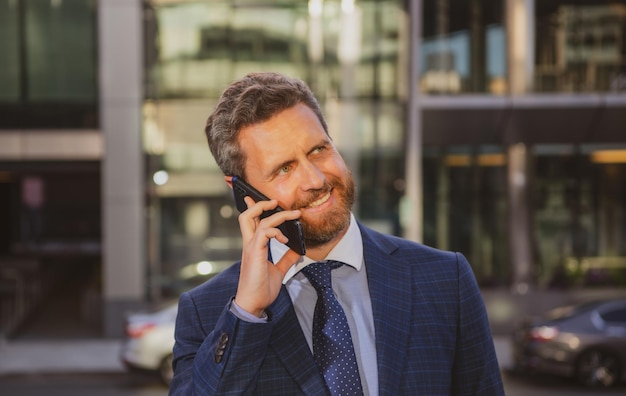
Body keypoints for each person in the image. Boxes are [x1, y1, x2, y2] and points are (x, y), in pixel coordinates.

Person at [169, 72, 505, 395]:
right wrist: (247, 313)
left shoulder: (446, 280)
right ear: (242, 192)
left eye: (318, 150)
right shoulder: (209, 313)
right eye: (284, 168)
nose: (315, 180)